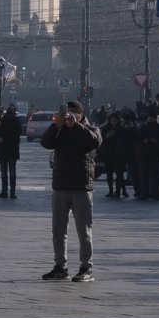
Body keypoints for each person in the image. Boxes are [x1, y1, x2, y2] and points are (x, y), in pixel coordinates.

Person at [40, 100, 101, 282]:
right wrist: (55, 126)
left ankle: (86, 268)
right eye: (68, 112)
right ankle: (60, 266)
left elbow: (95, 142)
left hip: (81, 187)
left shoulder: (91, 129)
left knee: (84, 230)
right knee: (58, 230)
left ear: (81, 115)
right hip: (60, 186)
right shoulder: (59, 131)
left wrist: (76, 126)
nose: (70, 116)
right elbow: (46, 142)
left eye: (74, 112)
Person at [0, 103, 22, 199]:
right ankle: (4, 191)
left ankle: (12, 192)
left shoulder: (16, 123)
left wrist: (3, 140)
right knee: (4, 172)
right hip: (3, 150)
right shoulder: (1, 121)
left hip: (11, 150)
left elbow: (16, 137)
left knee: (12, 172)